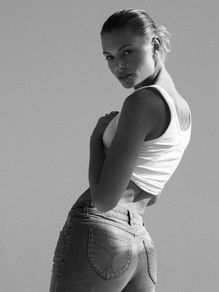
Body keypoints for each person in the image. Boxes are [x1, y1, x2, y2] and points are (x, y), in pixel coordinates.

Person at [49, 8, 192, 292]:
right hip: (140, 243)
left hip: (101, 234)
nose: (118, 66)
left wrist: (95, 139)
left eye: (127, 52)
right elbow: (153, 193)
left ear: (153, 45)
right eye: (109, 57)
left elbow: (104, 200)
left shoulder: (141, 102)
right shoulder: (183, 111)